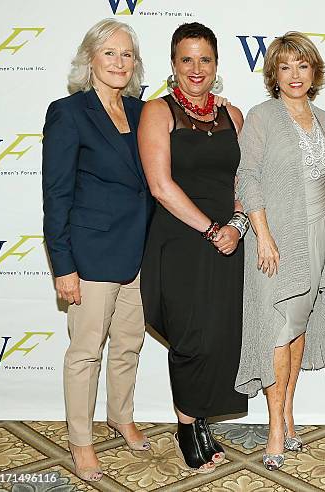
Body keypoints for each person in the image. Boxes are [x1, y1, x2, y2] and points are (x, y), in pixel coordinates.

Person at [42, 19, 152, 482]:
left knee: (128, 344)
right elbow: (56, 195)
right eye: (109, 53)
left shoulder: (145, 112)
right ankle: (80, 441)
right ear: (91, 59)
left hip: (141, 252)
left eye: (126, 54)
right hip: (89, 255)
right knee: (86, 352)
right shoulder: (68, 112)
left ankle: (120, 415)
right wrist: (62, 265)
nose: (119, 62)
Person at [138, 22, 248, 474]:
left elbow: (246, 181)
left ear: (217, 64)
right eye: (187, 59)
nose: (196, 68)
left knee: (218, 336)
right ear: (173, 64)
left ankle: (202, 420)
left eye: (205, 59)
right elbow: (161, 186)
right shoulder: (157, 112)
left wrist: (237, 227)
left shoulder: (233, 116)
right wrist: (211, 229)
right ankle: (187, 426)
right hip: (181, 241)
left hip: (227, 241)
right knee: (188, 337)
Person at [235, 32, 325, 471]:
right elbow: (247, 177)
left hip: (317, 236)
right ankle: (274, 425)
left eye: (302, 66)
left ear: (314, 71)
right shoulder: (261, 117)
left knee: (298, 325)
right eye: (285, 67)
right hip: (275, 238)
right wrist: (262, 234)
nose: (294, 75)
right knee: (277, 328)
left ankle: (290, 413)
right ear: (273, 74)